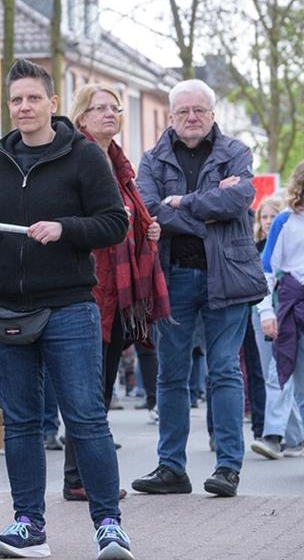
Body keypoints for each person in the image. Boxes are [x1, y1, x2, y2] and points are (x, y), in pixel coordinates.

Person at [0, 59, 133, 560]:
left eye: (33, 98)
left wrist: (65, 228)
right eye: (16, 100)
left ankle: (109, 526)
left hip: (68, 308)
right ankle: (28, 525)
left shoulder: (84, 157)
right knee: (20, 424)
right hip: (6, 311)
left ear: (53, 103)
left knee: (86, 419)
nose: (24, 107)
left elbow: (114, 223)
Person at [132, 79, 267, 499]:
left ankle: (228, 467)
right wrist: (204, 210)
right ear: (171, 117)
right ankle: (171, 467)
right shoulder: (152, 159)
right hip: (172, 276)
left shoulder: (236, 152)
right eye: (184, 111)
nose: (192, 117)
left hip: (227, 274)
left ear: (212, 114)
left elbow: (236, 202)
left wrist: (179, 203)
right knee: (172, 374)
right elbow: (148, 210)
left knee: (224, 369)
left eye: (199, 110)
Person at [60, 84, 169, 502]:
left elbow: (130, 219)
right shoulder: (75, 159)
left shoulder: (120, 164)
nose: (110, 113)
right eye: (100, 107)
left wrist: (146, 229)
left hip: (120, 294)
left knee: (100, 389)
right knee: (88, 391)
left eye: (115, 108)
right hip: (90, 288)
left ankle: (80, 476)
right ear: (81, 116)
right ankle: (78, 479)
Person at [254, 164, 304, 458]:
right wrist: (266, 312)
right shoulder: (285, 220)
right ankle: (273, 435)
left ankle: (296, 438)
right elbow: (267, 269)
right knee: (279, 370)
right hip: (288, 304)